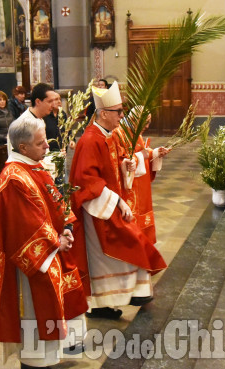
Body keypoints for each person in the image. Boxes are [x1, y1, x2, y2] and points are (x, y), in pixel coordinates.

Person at [0, 116, 87, 368]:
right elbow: (22, 226)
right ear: (23, 147)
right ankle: (33, 363)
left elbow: (56, 198)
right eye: (41, 143)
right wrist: (55, 241)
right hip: (32, 263)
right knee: (34, 315)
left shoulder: (34, 165)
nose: (47, 147)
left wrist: (66, 227)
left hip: (52, 250)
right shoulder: (13, 178)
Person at [69, 83, 166, 320]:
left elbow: (113, 165)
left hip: (110, 202)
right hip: (98, 209)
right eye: (119, 112)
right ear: (104, 114)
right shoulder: (91, 140)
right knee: (119, 247)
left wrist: (125, 166)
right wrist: (119, 203)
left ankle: (126, 295)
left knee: (129, 242)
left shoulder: (107, 136)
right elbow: (86, 179)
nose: (122, 116)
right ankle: (106, 302)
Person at [112, 113, 170, 244]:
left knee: (144, 215)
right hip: (130, 184)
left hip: (142, 185)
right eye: (145, 122)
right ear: (134, 119)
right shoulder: (119, 133)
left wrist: (156, 153)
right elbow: (119, 159)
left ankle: (144, 244)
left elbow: (143, 151)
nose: (147, 126)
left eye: (149, 123)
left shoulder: (136, 132)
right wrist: (138, 157)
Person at [8, 83, 56, 153]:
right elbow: (16, 155)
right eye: (50, 101)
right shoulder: (22, 124)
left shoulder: (40, 119)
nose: (53, 105)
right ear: (38, 102)